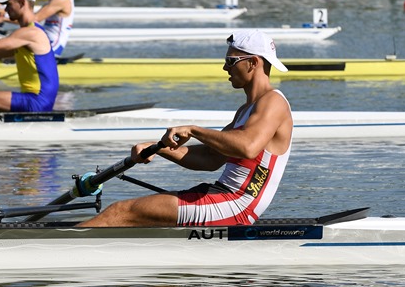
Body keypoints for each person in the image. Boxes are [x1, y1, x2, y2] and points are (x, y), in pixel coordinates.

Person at [78, 30, 293, 227]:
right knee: (128, 214)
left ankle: (57, 249)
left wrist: (193, 130)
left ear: (253, 63)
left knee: (119, 212)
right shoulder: (246, 110)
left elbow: (248, 148)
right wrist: (158, 148)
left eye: (230, 61)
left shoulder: (273, 102)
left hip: (236, 205)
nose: (225, 67)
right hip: (221, 197)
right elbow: (210, 158)